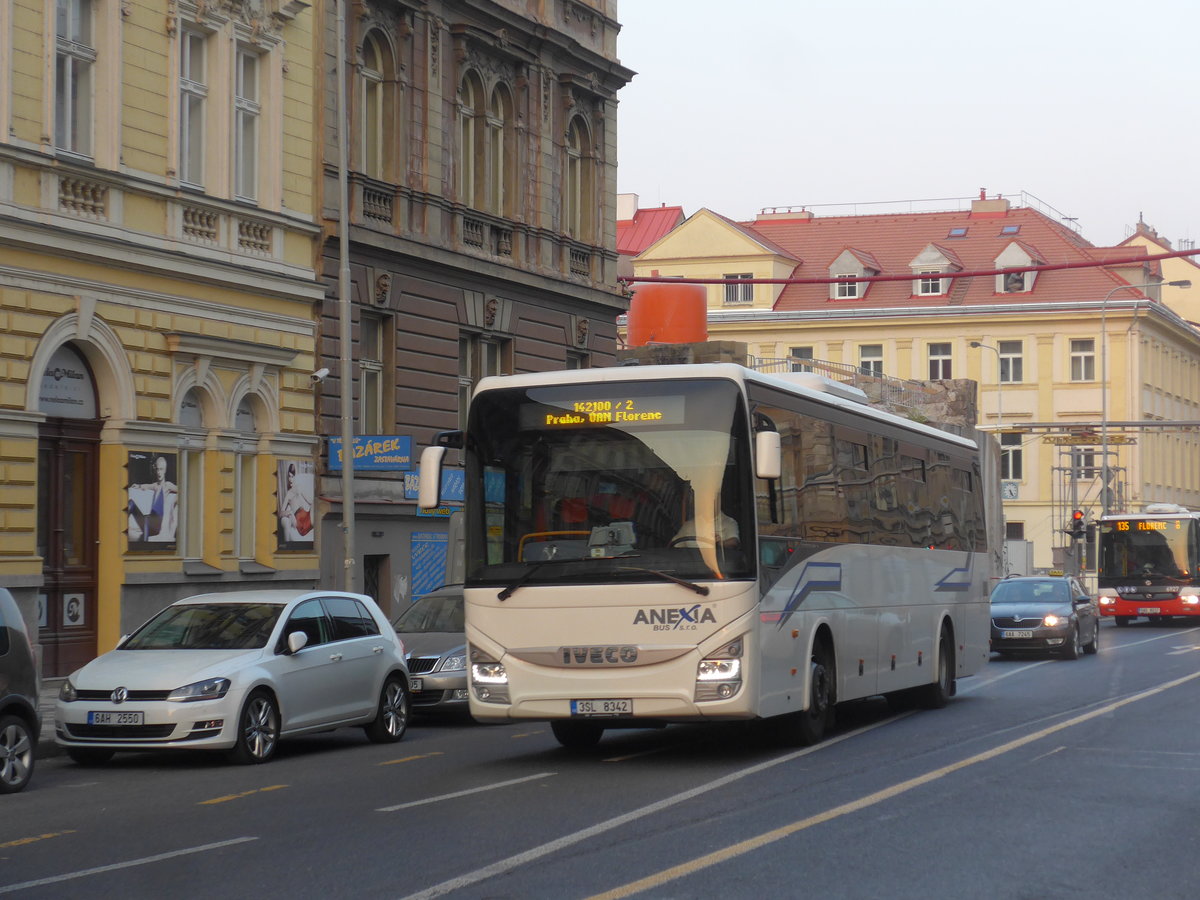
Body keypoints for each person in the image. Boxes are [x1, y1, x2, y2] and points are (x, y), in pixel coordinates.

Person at [127, 455, 179, 543]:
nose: (159, 472)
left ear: (165, 470)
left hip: (157, 523)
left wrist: (175, 501)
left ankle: (145, 545)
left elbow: (182, 490)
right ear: (155, 470)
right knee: (131, 503)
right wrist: (139, 486)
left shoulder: (167, 485)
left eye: (161, 469)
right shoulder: (155, 485)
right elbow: (147, 486)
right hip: (150, 520)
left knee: (147, 518)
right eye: (157, 469)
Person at [672, 508, 740, 549]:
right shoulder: (688, 525)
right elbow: (674, 546)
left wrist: (719, 544)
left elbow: (734, 542)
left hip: (719, 569)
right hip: (690, 568)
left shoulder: (729, 522)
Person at [279, 463, 314, 542]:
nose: (290, 479)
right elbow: (280, 513)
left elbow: (310, 501)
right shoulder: (288, 494)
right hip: (299, 521)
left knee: (317, 502)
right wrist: (290, 513)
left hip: (307, 516)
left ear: (295, 477)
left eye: (292, 476)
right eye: (289, 476)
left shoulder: (300, 488)